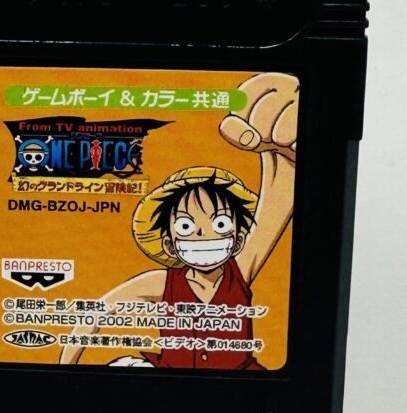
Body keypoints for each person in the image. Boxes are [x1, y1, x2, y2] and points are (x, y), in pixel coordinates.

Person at [60, 73, 299, 369]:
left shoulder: (240, 270)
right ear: (170, 243)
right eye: (186, 226)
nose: (202, 234)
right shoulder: (164, 283)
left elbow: (280, 195)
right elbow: (99, 312)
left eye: (220, 224)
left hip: (235, 385)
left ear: (237, 239)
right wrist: (65, 368)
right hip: (172, 382)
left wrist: (282, 142)